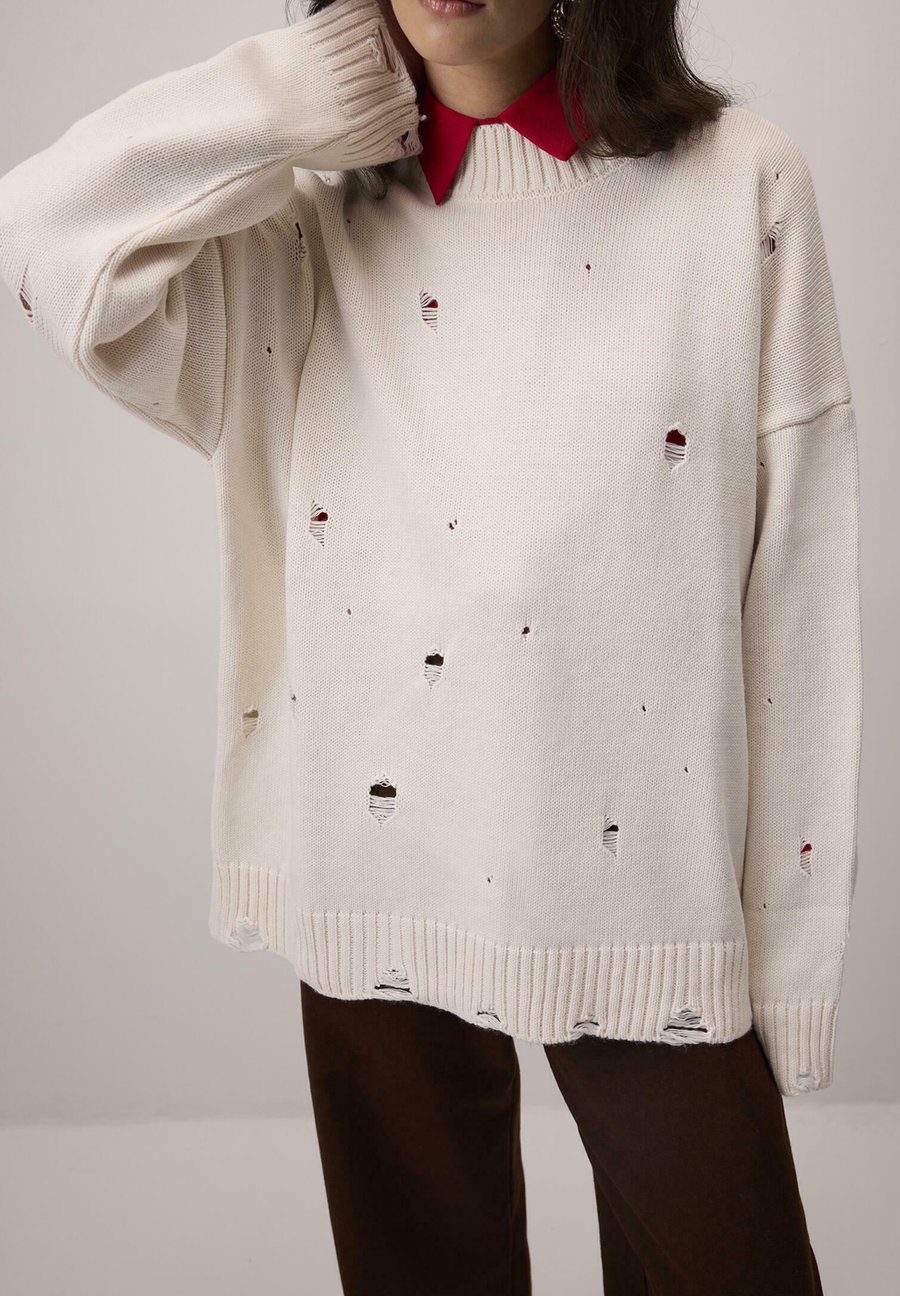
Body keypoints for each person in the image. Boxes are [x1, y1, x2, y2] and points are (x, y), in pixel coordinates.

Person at [0, 0, 862, 1291]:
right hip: (375, 872)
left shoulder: (741, 187)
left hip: (648, 902)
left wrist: (787, 958)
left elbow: (796, 597)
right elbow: (44, 232)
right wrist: (310, 87)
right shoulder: (301, 225)